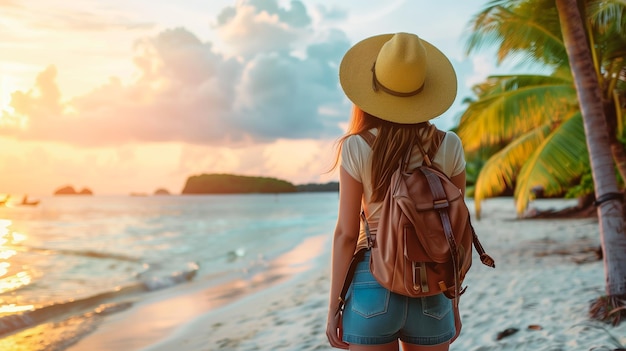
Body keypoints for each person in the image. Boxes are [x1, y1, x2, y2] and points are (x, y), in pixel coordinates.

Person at [326, 32, 466, 350]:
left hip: (371, 284)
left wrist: (334, 306)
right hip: (433, 286)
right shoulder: (450, 144)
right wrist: (454, 303)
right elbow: (452, 230)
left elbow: (346, 234)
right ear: (425, 90)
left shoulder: (356, 146)